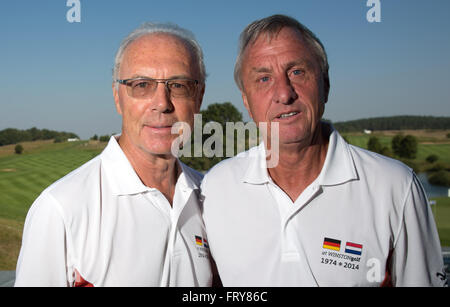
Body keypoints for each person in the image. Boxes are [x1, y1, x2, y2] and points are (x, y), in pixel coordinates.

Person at [201, 14, 447, 286]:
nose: (284, 94)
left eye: (296, 72)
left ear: (325, 85)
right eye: (263, 79)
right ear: (247, 102)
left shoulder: (396, 187)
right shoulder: (215, 188)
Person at [15, 22, 214, 286]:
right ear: (117, 97)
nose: (162, 103)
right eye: (142, 85)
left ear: (198, 98)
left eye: (178, 85)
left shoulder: (212, 198)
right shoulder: (60, 208)